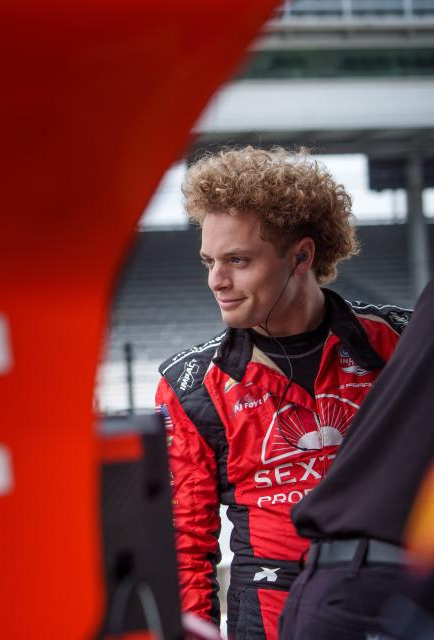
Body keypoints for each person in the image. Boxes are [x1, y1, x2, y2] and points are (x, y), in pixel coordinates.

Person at [154, 147, 412, 639]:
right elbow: (184, 543)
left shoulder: (398, 342)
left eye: (237, 260)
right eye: (209, 260)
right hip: (270, 615)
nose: (216, 281)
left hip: (391, 603)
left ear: (302, 256)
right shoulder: (188, 385)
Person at [279, 278, 434, 639]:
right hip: (373, 590)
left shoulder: (390, 332)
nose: (218, 280)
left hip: (335, 586)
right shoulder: (199, 381)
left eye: (237, 260)